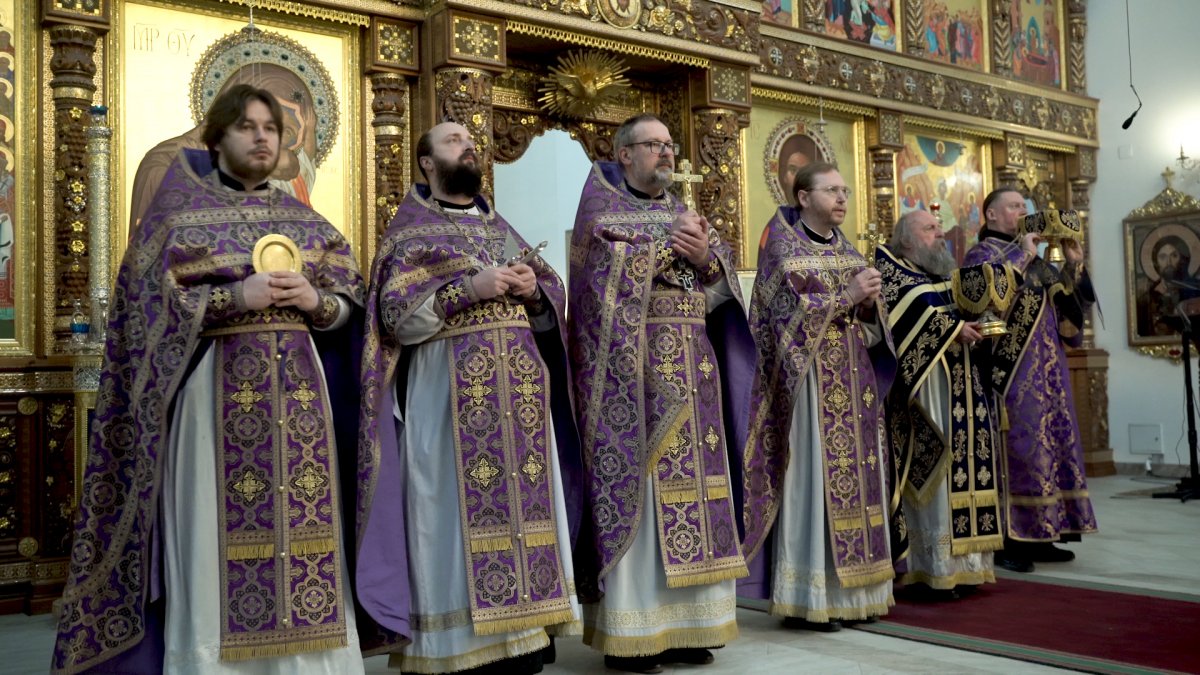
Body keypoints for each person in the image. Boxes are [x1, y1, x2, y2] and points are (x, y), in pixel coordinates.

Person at [51, 84, 365, 673]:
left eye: (271, 128)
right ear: (217, 137)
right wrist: (233, 297)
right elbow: (143, 313)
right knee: (212, 539)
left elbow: (353, 305)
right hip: (211, 409)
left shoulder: (307, 222)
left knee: (308, 539)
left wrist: (317, 302)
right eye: (248, 126)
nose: (262, 137)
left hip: (303, 413)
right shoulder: (175, 218)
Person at [356, 121, 583, 674]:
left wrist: (534, 291)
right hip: (448, 397)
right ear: (427, 163)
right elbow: (395, 319)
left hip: (520, 402)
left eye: (469, 141)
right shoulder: (409, 234)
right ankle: (455, 648)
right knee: (448, 515)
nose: (468, 147)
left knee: (527, 512)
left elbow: (551, 295)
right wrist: (467, 289)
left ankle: (525, 635)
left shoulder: (498, 226)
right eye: (453, 141)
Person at [567, 113, 756, 674]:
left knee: (699, 496)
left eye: (670, 145)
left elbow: (720, 292)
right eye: (654, 145)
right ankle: (636, 632)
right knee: (645, 502)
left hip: (696, 376)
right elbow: (596, 288)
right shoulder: (601, 211)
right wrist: (665, 254)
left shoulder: (685, 213)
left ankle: (693, 625)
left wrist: (704, 259)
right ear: (625, 154)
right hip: (635, 378)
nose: (667, 153)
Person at [740, 162, 896, 632]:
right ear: (804, 197)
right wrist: (846, 297)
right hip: (808, 386)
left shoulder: (847, 250)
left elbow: (869, 325)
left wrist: (868, 306)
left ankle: (860, 593)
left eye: (844, 190)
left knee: (861, 481)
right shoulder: (782, 248)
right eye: (831, 191)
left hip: (854, 383)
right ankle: (812, 597)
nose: (842, 198)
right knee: (814, 480)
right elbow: (781, 322)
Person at [965, 188, 1098, 573]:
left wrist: (1074, 264)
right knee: (1018, 452)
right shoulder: (981, 255)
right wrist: (1023, 254)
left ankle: (1043, 532)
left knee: (1051, 448)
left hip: (1049, 372)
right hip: (1010, 374)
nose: (1021, 212)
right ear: (992, 214)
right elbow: (983, 301)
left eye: (1024, 207)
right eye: (1013, 207)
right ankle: (1008, 539)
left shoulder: (1040, 263)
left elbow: (1071, 318)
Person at [874, 210, 1005, 599]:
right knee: (937, 470)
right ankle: (932, 568)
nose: (940, 234)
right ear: (907, 240)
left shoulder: (943, 275)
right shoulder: (894, 274)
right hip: (926, 391)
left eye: (939, 228)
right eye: (929, 229)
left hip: (963, 387)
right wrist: (952, 329)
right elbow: (900, 318)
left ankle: (969, 566)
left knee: (968, 467)